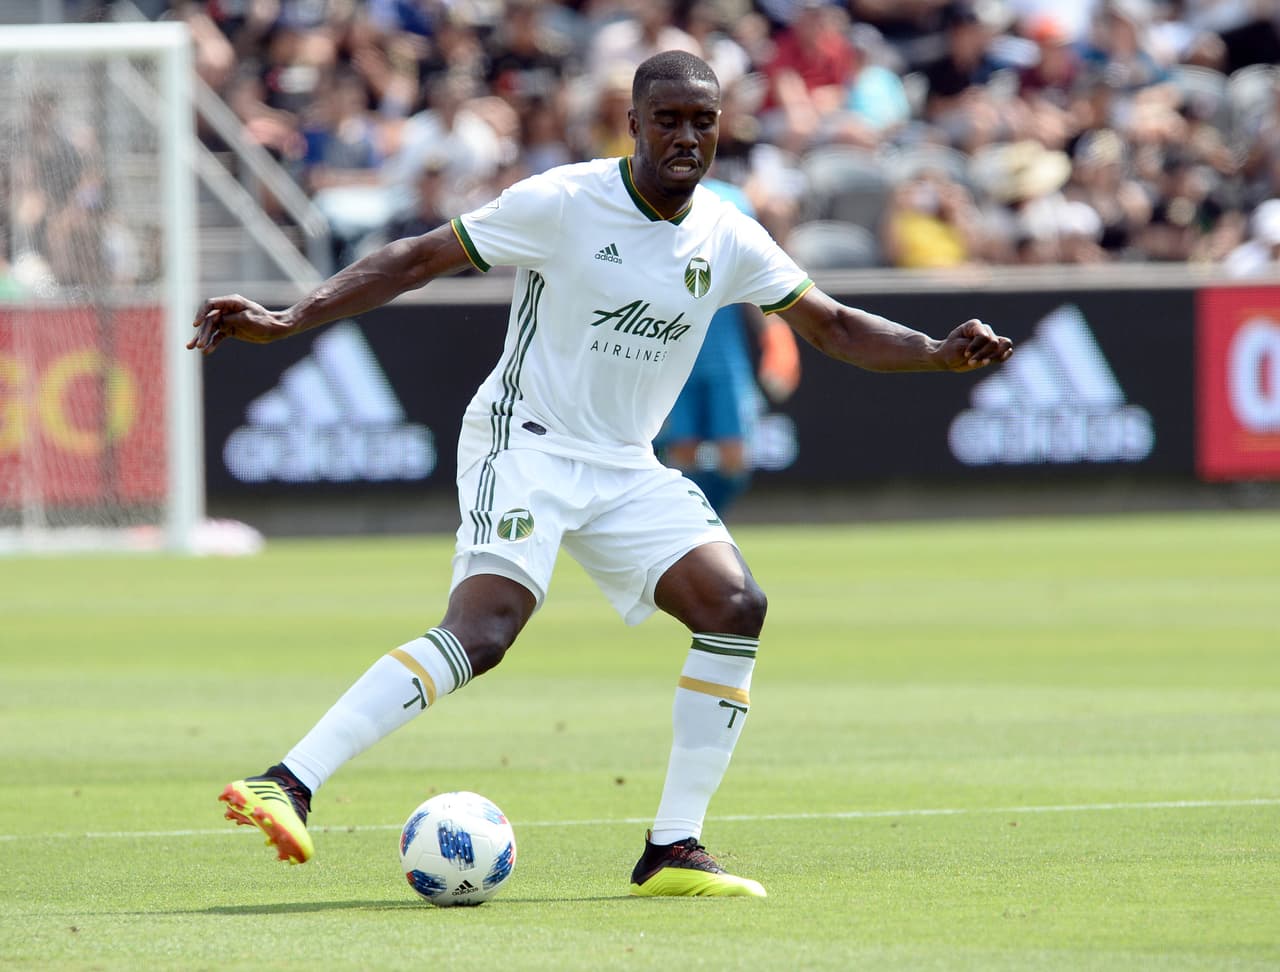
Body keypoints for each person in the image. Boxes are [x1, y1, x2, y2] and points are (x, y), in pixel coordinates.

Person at [189, 50, 1013, 898]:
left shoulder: (726, 232)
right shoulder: (564, 200)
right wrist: (293, 318)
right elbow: (416, 257)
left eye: (704, 121)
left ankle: (673, 847)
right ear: (632, 123)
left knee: (734, 606)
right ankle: (286, 782)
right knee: (486, 632)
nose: (688, 136)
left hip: (623, 462)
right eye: (668, 119)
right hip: (527, 440)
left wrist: (936, 353)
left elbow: (832, 326)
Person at [656, 177, 801, 514]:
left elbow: (756, 280)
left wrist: (777, 338)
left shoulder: (729, 200)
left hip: (723, 354)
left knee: (735, 455)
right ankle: (685, 532)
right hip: (673, 355)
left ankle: (704, 524)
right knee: (682, 454)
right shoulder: (656, 200)